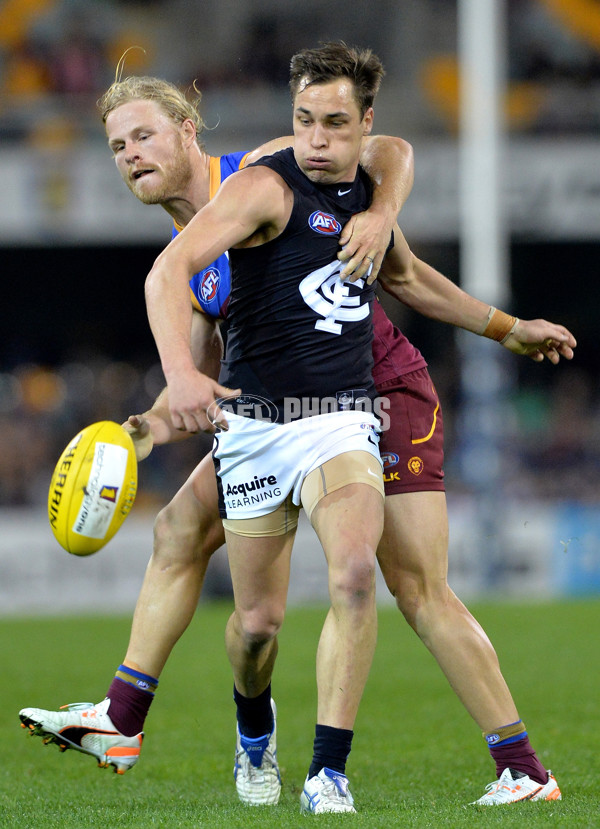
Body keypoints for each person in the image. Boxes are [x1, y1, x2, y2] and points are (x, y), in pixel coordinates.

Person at [19, 44, 574, 810]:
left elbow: (390, 156)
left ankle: (519, 765)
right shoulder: (202, 248)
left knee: (413, 587)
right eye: (117, 145)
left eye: (144, 135)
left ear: (188, 128)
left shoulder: (271, 165)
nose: (130, 155)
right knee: (188, 540)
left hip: (378, 390)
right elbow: (220, 374)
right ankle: (130, 716)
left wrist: (384, 216)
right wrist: (144, 427)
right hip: (277, 414)